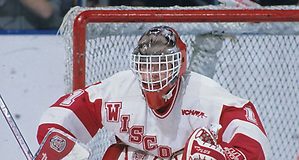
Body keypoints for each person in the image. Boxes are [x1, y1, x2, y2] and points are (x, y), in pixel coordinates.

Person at [36, 26, 270, 159]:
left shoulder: (204, 95)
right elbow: (58, 118)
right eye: (146, 65)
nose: (152, 74)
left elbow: (255, 147)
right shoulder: (119, 90)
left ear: (180, 64)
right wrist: (64, 149)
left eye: (161, 65)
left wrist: (224, 157)